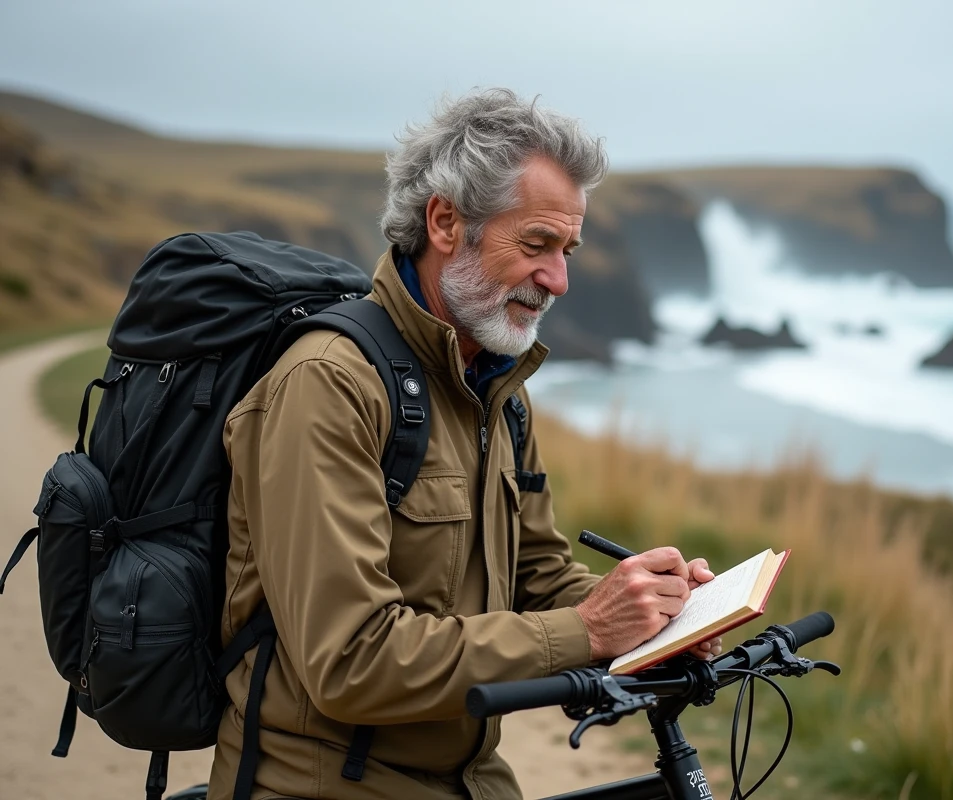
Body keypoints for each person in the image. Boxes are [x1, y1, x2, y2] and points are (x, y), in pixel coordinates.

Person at [206, 88, 720, 800]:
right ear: (446, 222)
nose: (559, 280)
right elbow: (351, 661)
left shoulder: (496, 386)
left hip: (473, 780)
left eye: (567, 250)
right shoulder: (327, 384)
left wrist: (657, 614)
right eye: (537, 244)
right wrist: (589, 630)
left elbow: (534, 575)